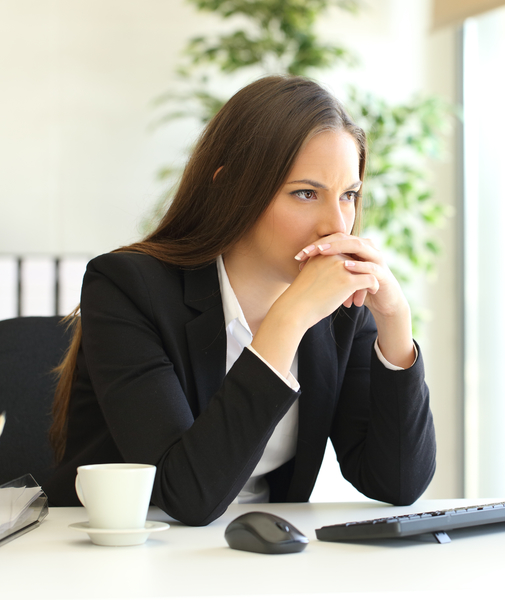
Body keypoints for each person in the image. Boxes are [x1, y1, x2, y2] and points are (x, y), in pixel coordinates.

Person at [43, 75, 436, 526]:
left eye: (348, 195)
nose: (337, 225)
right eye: (305, 193)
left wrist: (394, 320)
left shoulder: (340, 308)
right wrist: (289, 319)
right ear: (231, 188)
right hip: (114, 554)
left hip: (251, 557)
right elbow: (185, 497)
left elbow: (398, 483)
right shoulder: (127, 287)